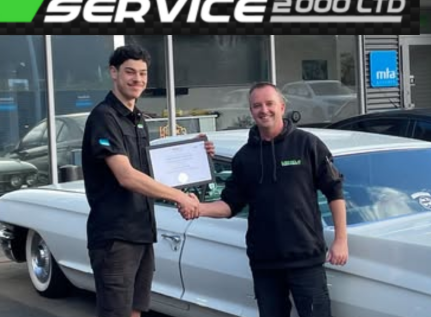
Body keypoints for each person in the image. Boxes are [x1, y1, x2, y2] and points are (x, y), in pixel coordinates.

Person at [178, 82, 348, 317]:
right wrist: (198, 207)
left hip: (306, 260)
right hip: (265, 263)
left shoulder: (307, 144)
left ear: (282, 107)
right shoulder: (244, 157)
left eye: (269, 104)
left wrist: (341, 240)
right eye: (257, 105)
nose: (264, 110)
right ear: (251, 111)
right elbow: (229, 205)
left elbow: (334, 191)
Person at [81, 44, 214, 317]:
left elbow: (152, 171)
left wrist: (195, 154)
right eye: (130, 72)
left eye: (142, 73)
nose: (138, 79)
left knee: (135, 310)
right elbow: (126, 176)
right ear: (114, 72)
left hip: (142, 233)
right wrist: (180, 197)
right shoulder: (104, 118)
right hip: (116, 238)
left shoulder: (138, 119)